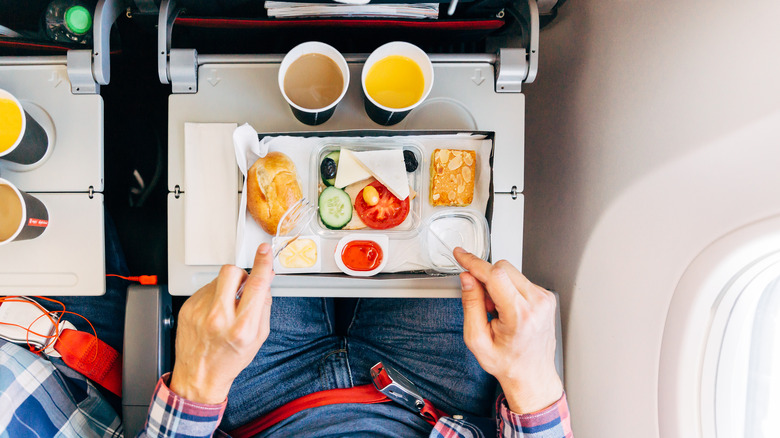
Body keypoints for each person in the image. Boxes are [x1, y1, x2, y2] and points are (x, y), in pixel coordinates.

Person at [0, 240, 572, 437]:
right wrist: (533, 380)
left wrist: (199, 381)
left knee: (256, 207)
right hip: (433, 401)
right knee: (436, 210)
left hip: (266, 404)